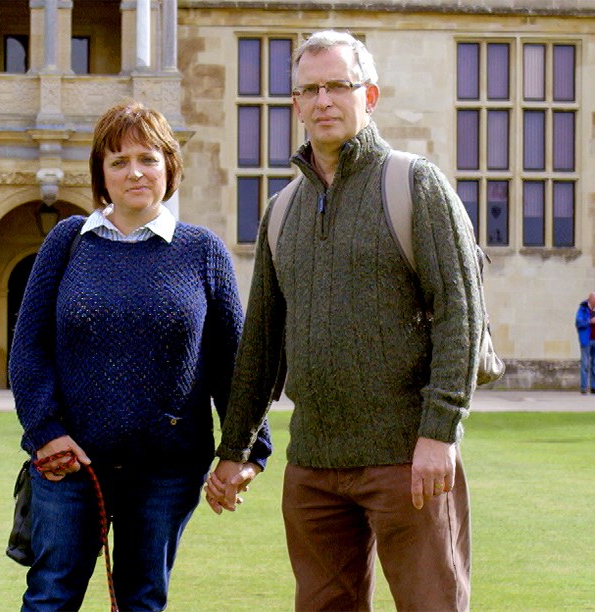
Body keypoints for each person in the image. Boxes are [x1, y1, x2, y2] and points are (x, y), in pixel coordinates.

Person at [205, 31, 483, 611]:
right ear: (296, 104)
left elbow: (461, 311)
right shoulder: (282, 210)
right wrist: (235, 448)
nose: (324, 100)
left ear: (369, 96)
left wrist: (440, 432)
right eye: (310, 90)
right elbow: (261, 345)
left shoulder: (415, 184)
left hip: (407, 459)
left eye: (338, 85)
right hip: (313, 466)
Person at [9, 100, 271, 610]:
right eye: (119, 161)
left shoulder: (203, 251)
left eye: (148, 158)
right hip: (71, 464)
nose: (135, 172)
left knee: (143, 602)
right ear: (101, 174)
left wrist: (244, 451)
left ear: (169, 167)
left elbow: (235, 365)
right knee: (49, 598)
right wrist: (45, 431)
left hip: (167, 470)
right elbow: (28, 347)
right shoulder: (67, 242)